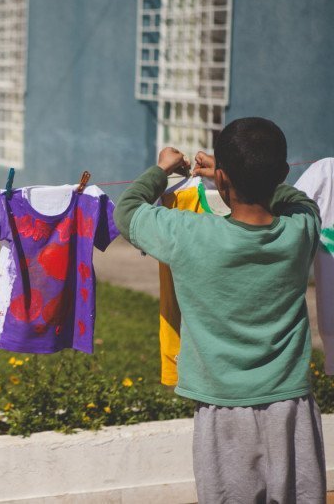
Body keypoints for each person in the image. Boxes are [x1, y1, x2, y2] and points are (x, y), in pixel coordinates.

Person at [113, 117, 324, 502]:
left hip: (222, 411)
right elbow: (299, 200)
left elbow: (126, 211)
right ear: (280, 173)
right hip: (290, 406)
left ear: (223, 179)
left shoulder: (188, 235)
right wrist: (230, 175)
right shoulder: (301, 229)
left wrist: (160, 170)